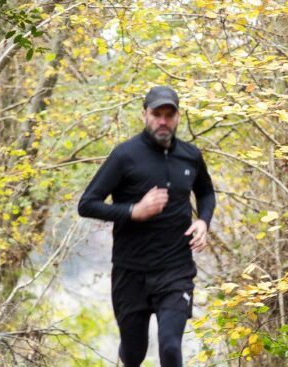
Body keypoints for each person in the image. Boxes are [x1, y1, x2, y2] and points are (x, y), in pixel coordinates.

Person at [77, 85, 216, 367]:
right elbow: (87, 203)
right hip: (131, 272)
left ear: (178, 117)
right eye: (156, 114)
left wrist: (203, 220)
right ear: (145, 115)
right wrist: (133, 211)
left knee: (170, 347)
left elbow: (206, 192)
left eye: (169, 115)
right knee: (134, 353)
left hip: (175, 270)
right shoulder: (124, 156)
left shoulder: (190, 155)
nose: (163, 121)